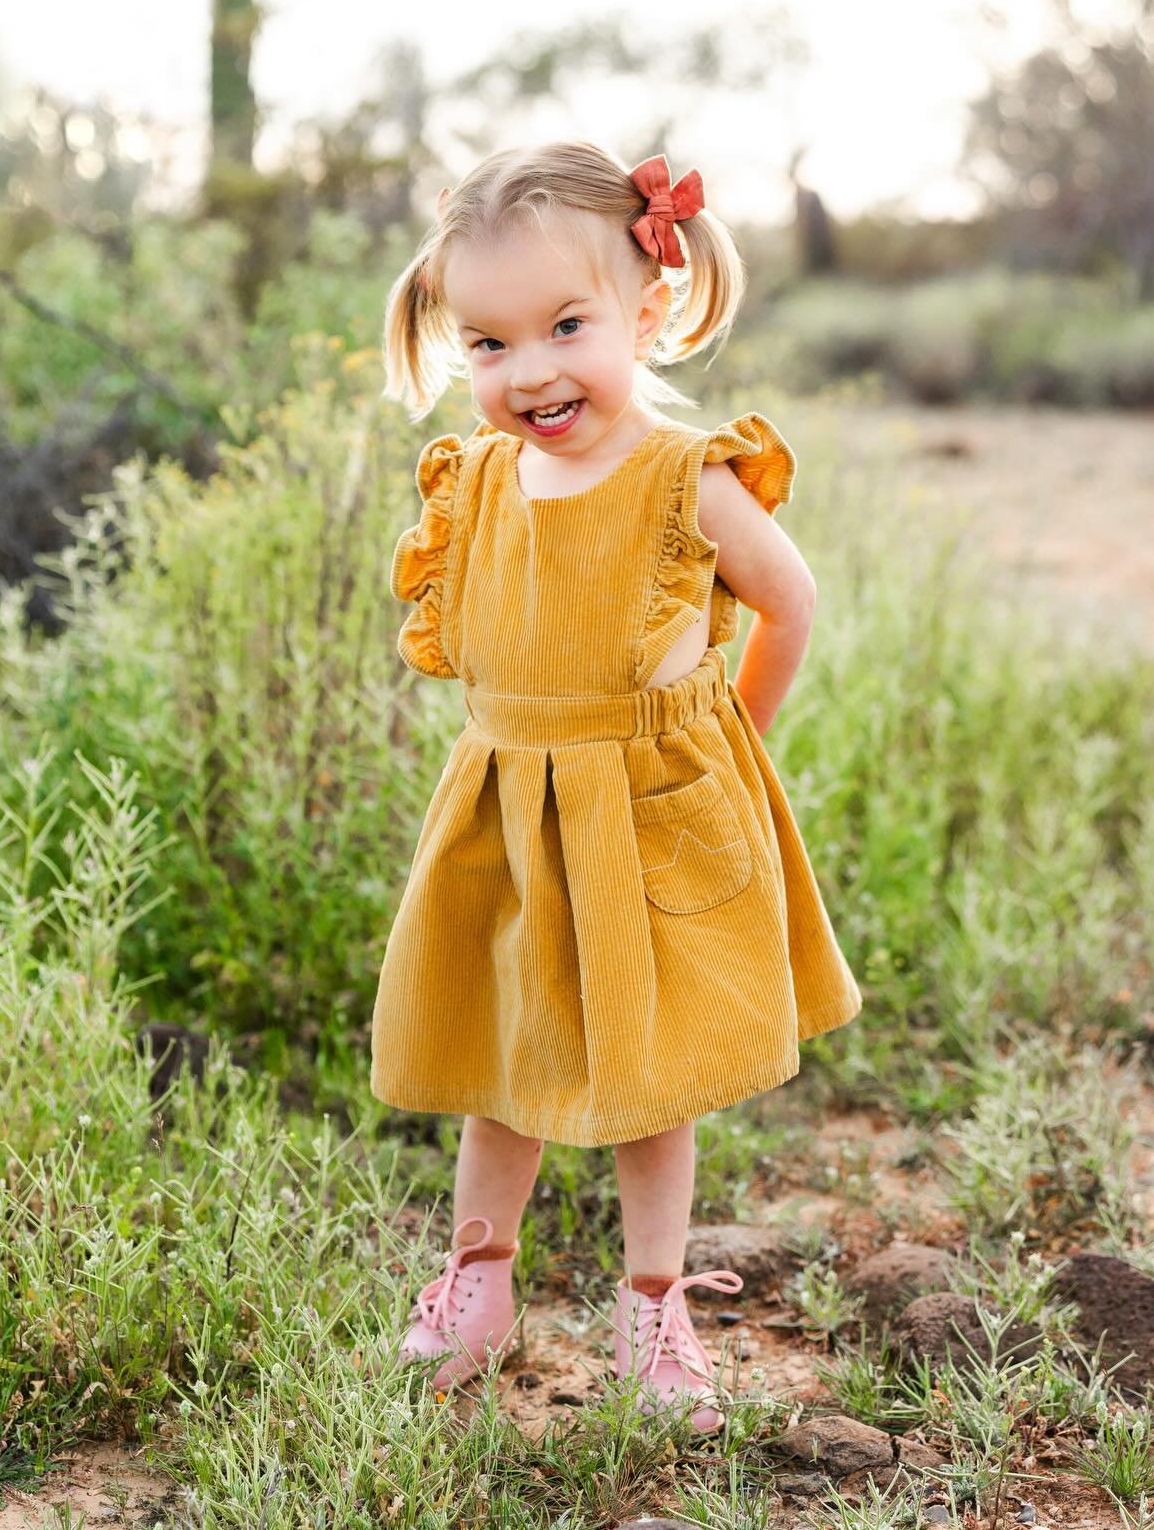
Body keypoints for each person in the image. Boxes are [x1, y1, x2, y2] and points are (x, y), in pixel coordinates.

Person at [372, 139, 862, 1433]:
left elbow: (790, 603)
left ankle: (656, 1311)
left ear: (649, 310)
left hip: (648, 823)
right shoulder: (475, 482)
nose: (527, 371)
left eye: (566, 326)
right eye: (485, 344)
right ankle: (478, 1290)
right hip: (513, 815)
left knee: (650, 1083)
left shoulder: (681, 478)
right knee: (501, 1068)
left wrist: (731, 739)